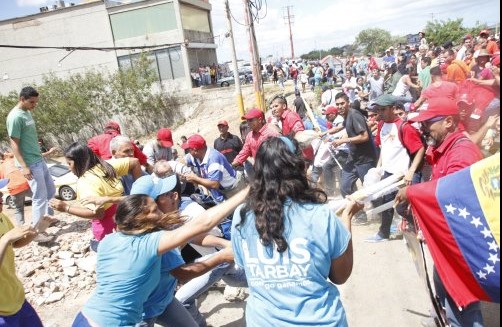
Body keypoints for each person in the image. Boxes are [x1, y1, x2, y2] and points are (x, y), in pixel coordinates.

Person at [71, 185, 249, 327]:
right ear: (141, 219)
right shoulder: (147, 242)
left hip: (89, 315)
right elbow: (203, 225)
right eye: (155, 209)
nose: (161, 213)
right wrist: (247, 191)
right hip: (118, 321)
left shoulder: (110, 240)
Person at [231, 136, 363, 326]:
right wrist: (347, 219)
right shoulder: (321, 215)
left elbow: (245, 267)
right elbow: (340, 276)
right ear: (299, 167)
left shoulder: (241, 217)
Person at [395, 97, 484, 327]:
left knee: (464, 306)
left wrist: (412, 193)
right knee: (445, 293)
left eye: (427, 123)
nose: (423, 129)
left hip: (461, 244)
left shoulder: (462, 152)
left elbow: (452, 192)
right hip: (447, 242)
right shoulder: (444, 149)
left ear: (448, 122)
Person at [49, 143, 142, 251]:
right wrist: (137, 193)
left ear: (78, 162)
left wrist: (66, 208)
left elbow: (98, 213)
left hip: (109, 230)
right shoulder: (104, 166)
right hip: (127, 217)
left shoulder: (85, 182)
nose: (69, 168)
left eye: (69, 164)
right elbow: (135, 162)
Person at [365, 95, 425, 242]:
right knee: (385, 202)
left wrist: (411, 172)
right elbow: (383, 148)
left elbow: (419, 149)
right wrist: (379, 168)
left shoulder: (404, 127)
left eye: (383, 109)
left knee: (402, 206)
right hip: (388, 172)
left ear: (393, 109)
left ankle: (420, 229)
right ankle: (384, 232)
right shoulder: (381, 125)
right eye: (378, 110)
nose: (380, 113)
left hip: (402, 174)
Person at [6, 86, 55, 243]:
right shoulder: (15, 117)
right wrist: (24, 166)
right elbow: (14, 144)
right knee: (39, 196)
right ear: (22, 99)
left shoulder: (26, 112)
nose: (34, 105)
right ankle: (35, 232)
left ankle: (46, 219)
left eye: (36, 102)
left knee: (50, 190)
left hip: (38, 159)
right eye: (32, 102)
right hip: (29, 163)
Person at [0, 186, 51, 326]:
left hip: (16, 297)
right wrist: (5, 240)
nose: (1, 198)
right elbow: (8, 240)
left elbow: (15, 243)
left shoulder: (2, 217)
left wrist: (37, 230)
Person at [332, 93, 377, 225]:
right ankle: (360, 214)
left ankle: (385, 216)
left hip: (365, 159)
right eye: (337, 104)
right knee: (345, 187)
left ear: (348, 103)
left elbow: (364, 137)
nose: (339, 106)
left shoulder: (355, 114)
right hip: (353, 159)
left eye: (342, 103)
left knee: (371, 189)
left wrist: (344, 141)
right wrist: (326, 134)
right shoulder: (347, 116)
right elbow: (344, 127)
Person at [184, 134, 246, 203]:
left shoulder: (213, 159)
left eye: (189, 150)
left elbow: (214, 184)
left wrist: (195, 179)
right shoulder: (198, 156)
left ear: (195, 150)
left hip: (233, 189)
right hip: (221, 191)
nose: (188, 153)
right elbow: (184, 160)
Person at [0, 153, 31, 226]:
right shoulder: (12, 160)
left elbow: (2, 180)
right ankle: (43, 218)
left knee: (19, 209)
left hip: (14, 189)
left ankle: (21, 227)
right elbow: (15, 153)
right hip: (25, 185)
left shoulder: (1, 167)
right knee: (39, 199)